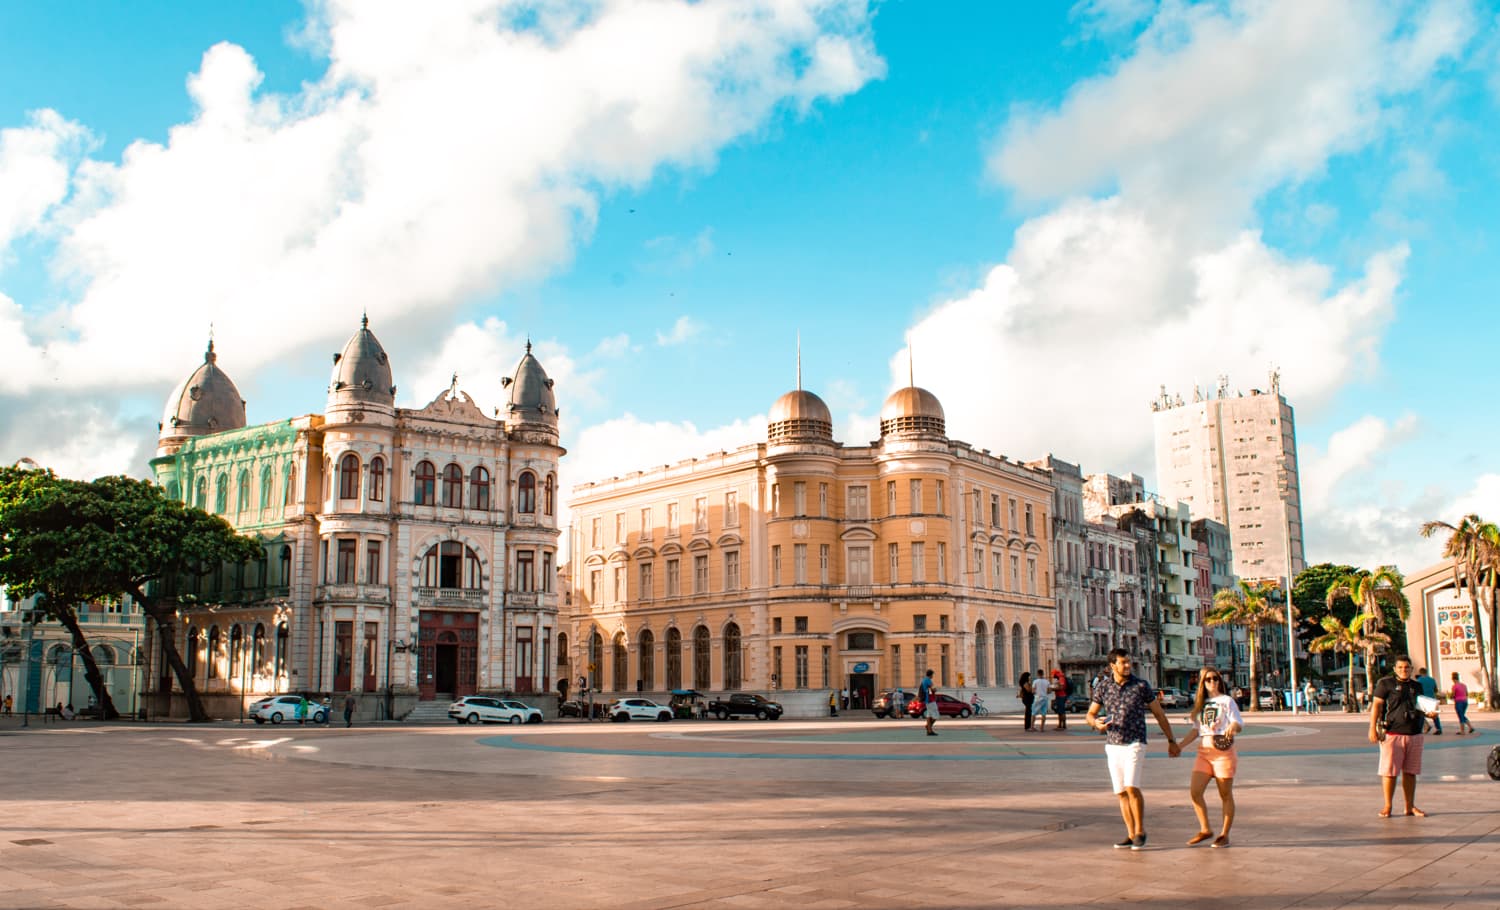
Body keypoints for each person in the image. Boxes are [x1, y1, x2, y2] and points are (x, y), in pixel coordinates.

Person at [1086, 648, 1181, 850]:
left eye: (1128, 662)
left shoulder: (1141, 685)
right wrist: (1097, 724)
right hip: (1113, 744)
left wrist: (1171, 740)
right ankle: (1130, 834)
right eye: (1123, 662)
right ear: (1112, 665)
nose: (1127, 666)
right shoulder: (1103, 687)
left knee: (1131, 786)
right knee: (1121, 792)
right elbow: (1090, 715)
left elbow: (1159, 713)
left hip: (1135, 742)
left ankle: (1140, 831)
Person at [1176, 667, 1242, 848]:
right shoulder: (1201, 704)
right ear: (1202, 683)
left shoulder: (1227, 701)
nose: (1212, 682)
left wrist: (1232, 728)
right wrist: (1179, 746)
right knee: (1195, 792)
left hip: (1223, 752)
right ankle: (1205, 829)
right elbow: (1196, 730)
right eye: (1208, 679)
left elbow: (1238, 722)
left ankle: (1224, 834)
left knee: (1225, 794)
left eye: (1215, 679)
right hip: (1204, 752)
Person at [1370, 655, 1437, 818]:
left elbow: (1422, 707)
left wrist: (1431, 714)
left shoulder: (1417, 686)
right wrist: (1372, 728)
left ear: (1411, 669)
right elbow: (1377, 705)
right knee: (1390, 772)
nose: (1403, 670)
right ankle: (1388, 805)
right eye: (1400, 667)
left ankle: (1410, 806)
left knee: (1410, 772)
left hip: (1414, 733)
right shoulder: (1386, 684)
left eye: (1407, 667)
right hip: (1393, 733)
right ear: (1395, 669)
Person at [1415, 668, 1442, 735]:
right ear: (1426, 672)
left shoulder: (1419, 680)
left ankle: (1421, 729)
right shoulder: (1432, 680)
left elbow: (1416, 691)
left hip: (1423, 699)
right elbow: (1435, 690)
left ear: (1420, 673)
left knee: (1421, 714)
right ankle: (1438, 728)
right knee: (1434, 715)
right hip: (1432, 698)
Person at [919, 669, 938, 736]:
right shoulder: (928, 680)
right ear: (931, 674)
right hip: (930, 699)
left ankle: (929, 730)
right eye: (932, 674)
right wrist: (934, 690)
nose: (933, 676)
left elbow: (927, 689)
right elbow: (930, 690)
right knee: (936, 715)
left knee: (929, 715)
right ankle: (928, 727)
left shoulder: (924, 680)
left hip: (927, 700)